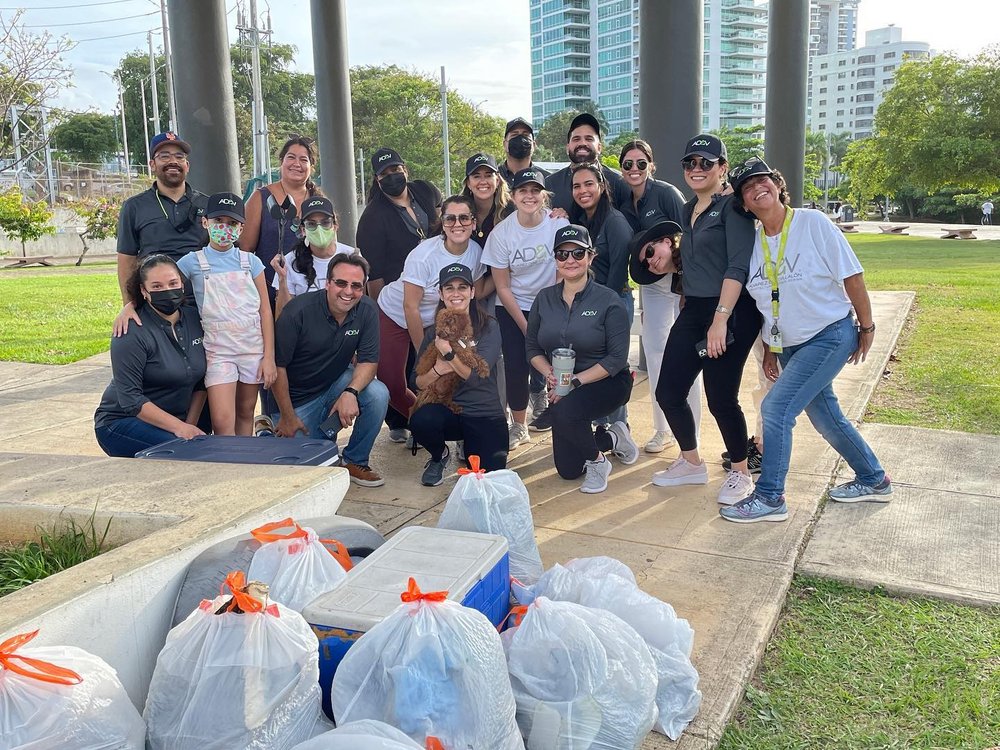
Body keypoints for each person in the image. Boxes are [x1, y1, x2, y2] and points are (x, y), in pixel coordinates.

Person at [719, 157, 891, 523]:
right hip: (789, 346)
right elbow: (769, 304)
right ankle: (874, 479)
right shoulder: (754, 244)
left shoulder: (812, 223)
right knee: (827, 417)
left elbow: (852, 275)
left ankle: (769, 497)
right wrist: (770, 349)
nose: (756, 189)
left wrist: (867, 326)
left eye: (762, 181)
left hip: (829, 334)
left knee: (776, 409)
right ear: (744, 204)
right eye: (747, 188)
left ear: (778, 185)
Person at [649, 133, 762, 506]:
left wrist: (720, 320)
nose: (697, 169)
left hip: (730, 311)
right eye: (690, 163)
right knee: (668, 391)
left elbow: (737, 266)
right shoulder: (685, 211)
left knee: (720, 398)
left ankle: (741, 473)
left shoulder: (734, 209)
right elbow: (693, 261)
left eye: (706, 163)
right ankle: (691, 462)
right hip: (694, 308)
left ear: (722, 168)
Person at [526, 225, 637, 494]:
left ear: (590, 256)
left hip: (608, 382)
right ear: (555, 259)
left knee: (564, 410)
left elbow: (616, 358)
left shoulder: (609, 300)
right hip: (563, 384)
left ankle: (599, 463)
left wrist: (574, 382)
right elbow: (531, 348)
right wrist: (550, 373)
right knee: (568, 470)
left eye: (577, 253)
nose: (570, 260)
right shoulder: (544, 298)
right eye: (562, 255)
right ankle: (613, 436)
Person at [270, 254, 390, 487]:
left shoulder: (367, 309)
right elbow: (278, 367)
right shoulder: (297, 311)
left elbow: (368, 362)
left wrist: (351, 393)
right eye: (341, 283)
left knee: (377, 393)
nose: (348, 291)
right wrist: (287, 416)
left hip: (335, 383)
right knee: (308, 475)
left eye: (356, 286)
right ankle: (272, 427)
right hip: (296, 402)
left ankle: (356, 460)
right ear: (328, 283)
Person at [376, 195, 486, 431]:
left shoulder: (475, 252)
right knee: (392, 384)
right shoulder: (424, 254)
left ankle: (435, 427)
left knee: (447, 377)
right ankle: (420, 421)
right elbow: (410, 307)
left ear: (474, 223)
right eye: (450, 219)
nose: (458, 224)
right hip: (394, 313)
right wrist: (423, 351)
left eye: (464, 218)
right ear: (442, 222)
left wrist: (507, 282)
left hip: (434, 319)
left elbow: (479, 290)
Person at [356, 147, 442, 444]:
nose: (392, 177)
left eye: (396, 170)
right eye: (384, 174)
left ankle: (437, 418)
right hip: (396, 299)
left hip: (435, 296)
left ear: (405, 168)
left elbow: (444, 221)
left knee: (430, 363)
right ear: (376, 179)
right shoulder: (372, 218)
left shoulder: (425, 192)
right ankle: (406, 419)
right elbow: (375, 276)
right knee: (397, 370)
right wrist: (383, 314)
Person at [620, 139, 700, 455]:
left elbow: (689, 236)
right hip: (651, 284)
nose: (634, 169)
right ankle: (662, 429)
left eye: (641, 163)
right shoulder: (624, 202)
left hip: (681, 281)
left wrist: (685, 285)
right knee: (655, 354)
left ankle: (689, 431)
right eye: (628, 164)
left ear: (651, 165)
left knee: (688, 357)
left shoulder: (666, 193)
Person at [481, 168, 569, 450]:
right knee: (517, 364)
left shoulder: (557, 225)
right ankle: (519, 425)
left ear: (544, 195)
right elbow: (502, 286)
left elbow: (563, 271)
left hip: (552, 302)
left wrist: (553, 310)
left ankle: (564, 414)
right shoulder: (502, 233)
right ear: (513, 195)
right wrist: (526, 326)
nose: (529, 196)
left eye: (535, 191)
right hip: (513, 306)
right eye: (523, 191)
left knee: (561, 361)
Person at [175, 193, 275, 436]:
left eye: (231, 223)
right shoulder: (191, 262)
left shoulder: (251, 262)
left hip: (252, 347)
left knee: (245, 411)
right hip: (218, 349)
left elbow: (264, 310)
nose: (225, 228)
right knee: (221, 419)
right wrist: (130, 305)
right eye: (218, 220)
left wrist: (269, 356)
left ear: (241, 227)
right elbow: (163, 282)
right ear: (205, 222)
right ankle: (225, 462)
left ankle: (242, 463)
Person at [94, 255, 206, 457]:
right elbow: (131, 400)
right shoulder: (130, 331)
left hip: (176, 421)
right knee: (189, 451)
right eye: (156, 286)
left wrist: (188, 426)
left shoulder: (195, 318)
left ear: (182, 284)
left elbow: (200, 384)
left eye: (173, 283)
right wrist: (180, 429)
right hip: (122, 422)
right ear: (144, 291)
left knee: (204, 445)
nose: (167, 290)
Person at [410, 264, 508, 485]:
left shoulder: (489, 327)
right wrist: (438, 370)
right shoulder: (433, 332)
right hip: (449, 411)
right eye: (449, 288)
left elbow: (476, 377)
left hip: (484, 412)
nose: (456, 293)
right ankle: (439, 456)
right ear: (441, 294)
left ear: (472, 292)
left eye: (462, 287)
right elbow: (415, 381)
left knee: (490, 479)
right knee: (421, 420)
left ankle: (472, 444)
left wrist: (448, 354)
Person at [113, 132, 208, 334]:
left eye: (179, 156)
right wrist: (130, 304)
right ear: (152, 164)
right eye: (164, 156)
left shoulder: (207, 204)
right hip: (156, 302)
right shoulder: (134, 207)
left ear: (187, 165)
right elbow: (126, 260)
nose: (173, 161)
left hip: (203, 301)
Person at [240, 136, 323, 310]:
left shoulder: (318, 201)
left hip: (312, 290)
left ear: (311, 167)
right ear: (282, 161)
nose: (296, 164)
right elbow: (245, 250)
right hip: (270, 291)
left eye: (303, 159)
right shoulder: (260, 198)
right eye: (291, 157)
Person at [270, 196, 355, 318]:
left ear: (335, 225)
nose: (319, 229)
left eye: (325, 222)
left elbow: (361, 303)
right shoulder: (289, 262)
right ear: (303, 230)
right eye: (311, 224)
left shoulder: (351, 256)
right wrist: (282, 279)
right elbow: (283, 316)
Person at [546, 113, 631, 213]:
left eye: (589, 139)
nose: (582, 143)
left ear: (599, 147)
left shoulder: (619, 182)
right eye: (576, 139)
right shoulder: (551, 184)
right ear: (567, 148)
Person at [463, 153, 511, 247]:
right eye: (476, 176)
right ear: (468, 183)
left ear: (497, 180)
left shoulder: (512, 211)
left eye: (488, 176)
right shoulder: (458, 211)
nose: (483, 181)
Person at [498, 117, 549, 189]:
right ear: (505, 144)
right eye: (514, 135)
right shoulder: (493, 177)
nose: (520, 139)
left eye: (525, 135)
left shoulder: (547, 179)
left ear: (533, 145)